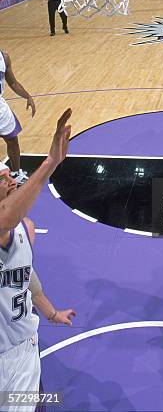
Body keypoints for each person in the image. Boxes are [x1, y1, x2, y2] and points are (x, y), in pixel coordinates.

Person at [0, 110, 72, 411]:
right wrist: (50, 162)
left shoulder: (26, 229)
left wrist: (52, 313)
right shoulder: (8, 221)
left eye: (6, 172)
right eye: (1, 177)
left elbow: (29, 281)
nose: (9, 175)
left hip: (21, 349)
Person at [0, 49, 36, 184]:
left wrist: (28, 96)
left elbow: (13, 83)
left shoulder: (4, 58)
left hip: (0, 108)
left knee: (13, 140)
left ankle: (16, 173)